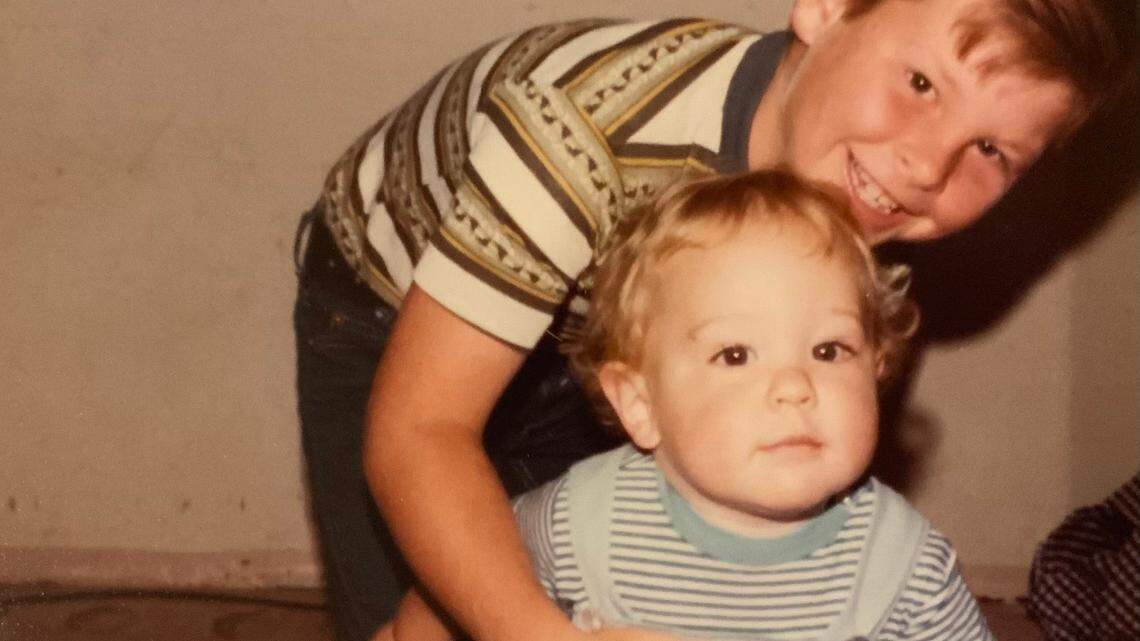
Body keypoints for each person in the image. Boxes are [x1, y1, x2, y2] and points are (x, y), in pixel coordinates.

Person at [291, 1, 1134, 640]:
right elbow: (420, 431)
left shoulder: (856, 179)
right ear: (827, 7)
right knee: (455, 601)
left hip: (649, 336)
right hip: (390, 296)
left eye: (990, 150)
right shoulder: (577, 131)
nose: (926, 166)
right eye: (920, 84)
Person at [378, 170, 996, 641]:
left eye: (830, 350)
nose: (794, 386)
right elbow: (439, 599)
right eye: (735, 355)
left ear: (878, 369)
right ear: (639, 403)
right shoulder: (578, 524)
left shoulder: (903, 568)